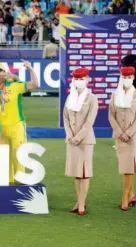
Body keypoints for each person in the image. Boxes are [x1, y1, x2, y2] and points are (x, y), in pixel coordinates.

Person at [0, 61, 39, 183]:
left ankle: (20, 185)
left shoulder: (15, 86)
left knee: (19, 156)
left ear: (5, 73)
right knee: (5, 158)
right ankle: (8, 186)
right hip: (0, 128)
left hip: (16, 126)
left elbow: (35, 84)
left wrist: (30, 68)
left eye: (0, 71)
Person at [63, 67, 98, 216]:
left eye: (82, 79)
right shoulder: (70, 98)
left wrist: (78, 137)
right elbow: (65, 118)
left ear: (87, 80)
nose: (79, 81)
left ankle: (82, 203)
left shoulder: (92, 98)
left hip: (85, 140)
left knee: (84, 173)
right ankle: (79, 201)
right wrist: (70, 135)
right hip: (71, 141)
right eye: (77, 79)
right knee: (76, 173)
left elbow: (89, 121)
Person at [108, 67, 136, 211]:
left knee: (130, 167)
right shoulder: (115, 95)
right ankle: (131, 194)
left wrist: (129, 133)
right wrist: (119, 132)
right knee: (127, 166)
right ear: (120, 77)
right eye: (125, 76)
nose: (127, 79)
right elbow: (111, 115)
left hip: (133, 136)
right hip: (120, 136)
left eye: (130, 76)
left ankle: (125, 197)